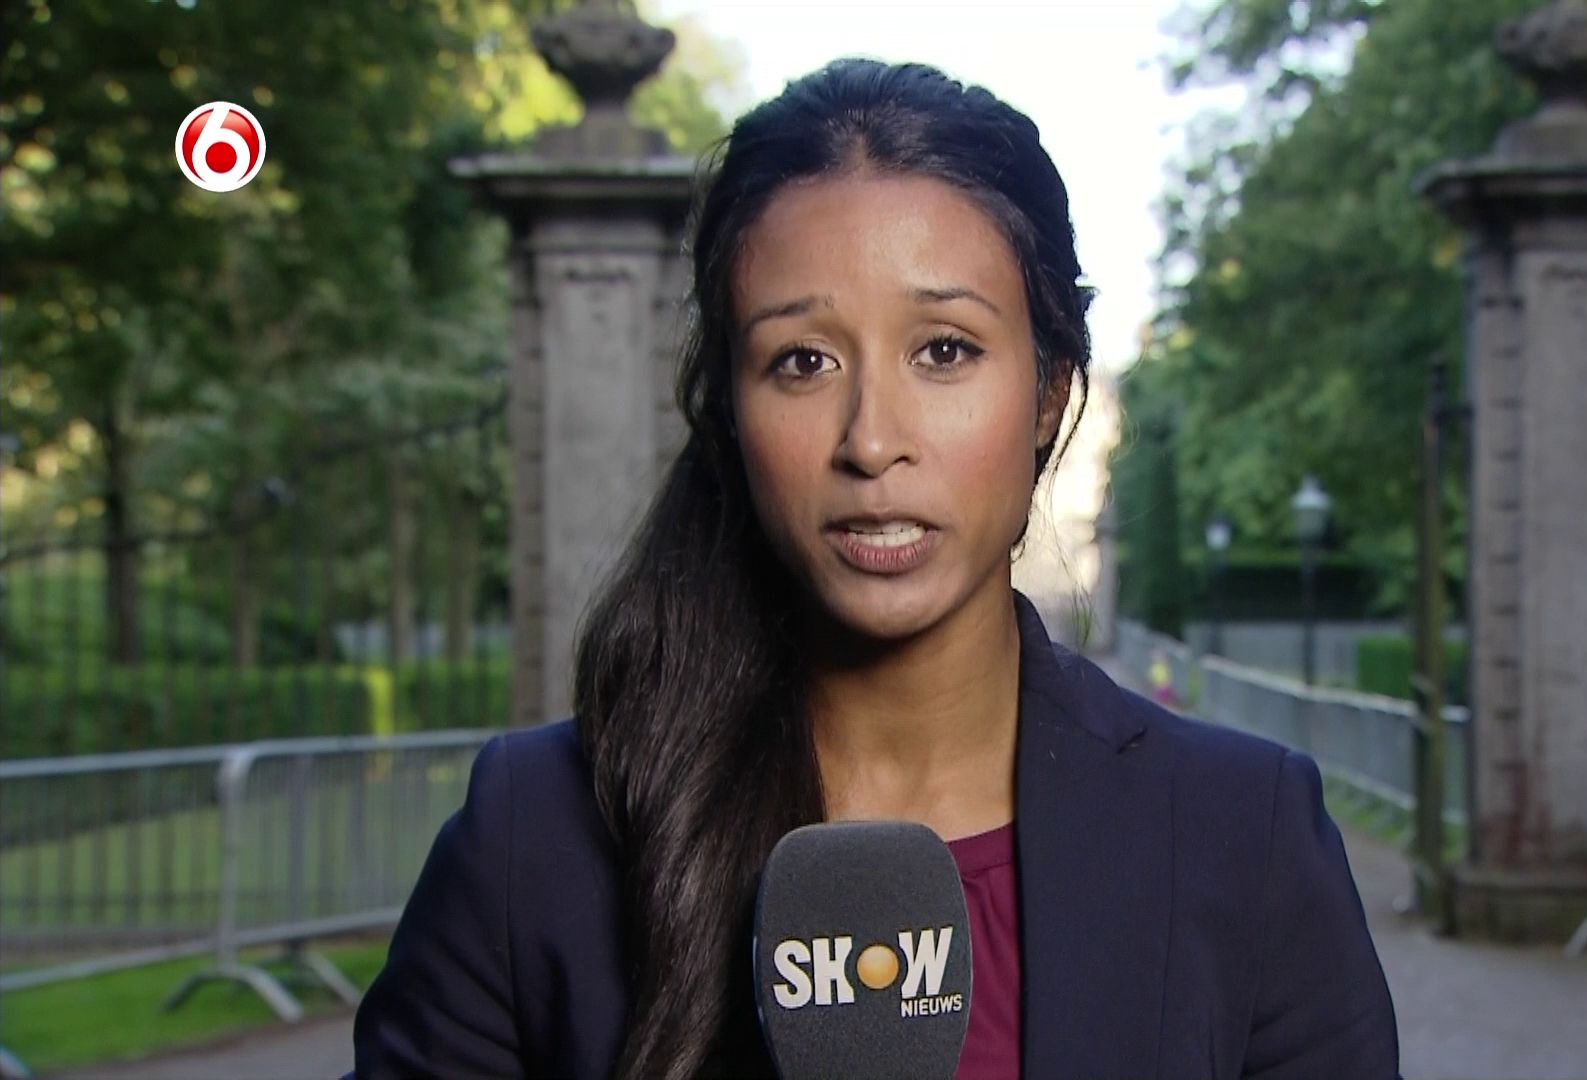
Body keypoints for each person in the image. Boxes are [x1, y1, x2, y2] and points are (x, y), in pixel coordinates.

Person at [350, 58, 1400, 1080]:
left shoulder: (1244, 836)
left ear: (1048, 394)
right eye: (803, 362)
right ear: (730, 412)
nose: (873, 440)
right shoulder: (536, 837)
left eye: (944, 350)